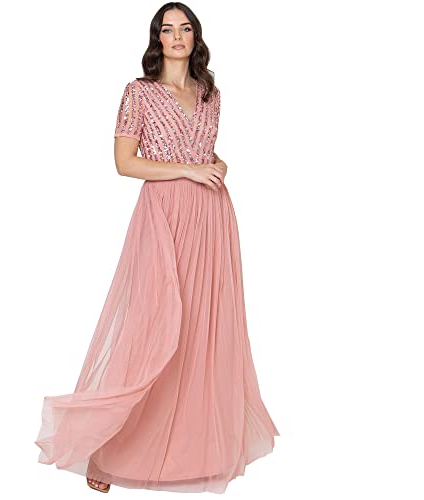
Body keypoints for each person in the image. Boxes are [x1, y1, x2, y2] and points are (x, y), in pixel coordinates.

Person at [34, 2, 279, 494]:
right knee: (151, 327)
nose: (177, 36)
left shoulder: (211, 94)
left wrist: (216, 164)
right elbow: (125, 163)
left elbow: (201, 149)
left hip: (211, 217)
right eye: (168, 30)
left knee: (201, 332)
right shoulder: (138, 92)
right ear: (157, 39)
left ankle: (194, 453)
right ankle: (102, 449)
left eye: (185, 28)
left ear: (196, 37)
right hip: (164, 216)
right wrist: (189, 170)